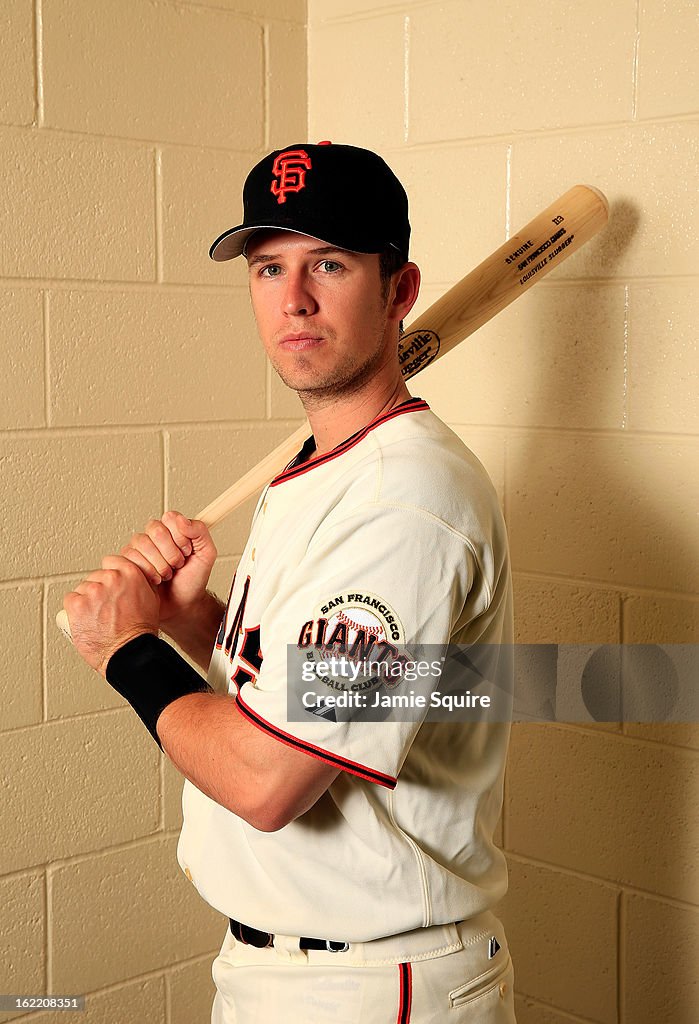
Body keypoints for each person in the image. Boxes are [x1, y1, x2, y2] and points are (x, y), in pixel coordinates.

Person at [63, 142, 516, 1023]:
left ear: (399, 290)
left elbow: (270, 779)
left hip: (369, 984)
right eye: (269, 267)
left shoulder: (403, 502)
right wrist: (201, 624)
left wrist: (127, 652)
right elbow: (321, 690)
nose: (293, 299)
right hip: (292, 971)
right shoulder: (326, 468)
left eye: (330, 263)